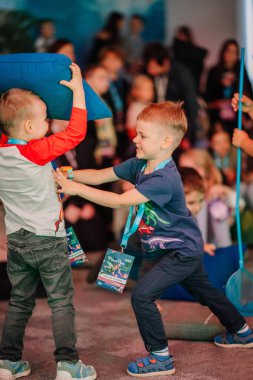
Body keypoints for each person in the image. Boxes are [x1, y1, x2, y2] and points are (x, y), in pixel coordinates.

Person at [54, 101, 253, 377]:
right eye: (137, 133)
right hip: (173, 246)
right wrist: (72, 173)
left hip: (179, 251)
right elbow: (103, 175)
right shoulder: (140, 163)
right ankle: (242, 332)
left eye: (143, 135)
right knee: (206, 292)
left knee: (142, 296)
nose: (135, 139)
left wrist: (75, 189)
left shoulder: (164, 178)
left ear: (166, 141)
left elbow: (118, 200)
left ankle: (161, 357)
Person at [0, 63, 97, 380]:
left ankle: (7, 362)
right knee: (60, 303)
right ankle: (68, 365)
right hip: (48, 240)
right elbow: (76, 132)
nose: (48, 124)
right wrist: (78, 90)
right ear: (29, 127)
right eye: (44, 119)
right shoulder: (38, 150)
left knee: (19, 303)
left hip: (17, 240)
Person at [143, 42, 199, 146]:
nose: (149, 70)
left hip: (177, 127)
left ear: (164, 62)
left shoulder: (181, 73)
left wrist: (187, 135)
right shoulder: (151, 75)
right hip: (158, 127)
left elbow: (192, 104)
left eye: (152, 66)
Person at [205, 39, 253, 137]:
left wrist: (248, 119)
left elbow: (248, 93)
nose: (230, 55)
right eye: (228, 51)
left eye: (234, 52)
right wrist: (220, 85)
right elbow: (208, 99)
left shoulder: (240, 70)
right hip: (218, 119)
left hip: (237, 118)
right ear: (223, 52)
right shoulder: (214, 72)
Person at [179, 167, 216, 256]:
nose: (198, 207)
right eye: (191, 202)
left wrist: (202, 246)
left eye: (201, 200)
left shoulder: (190, 218)